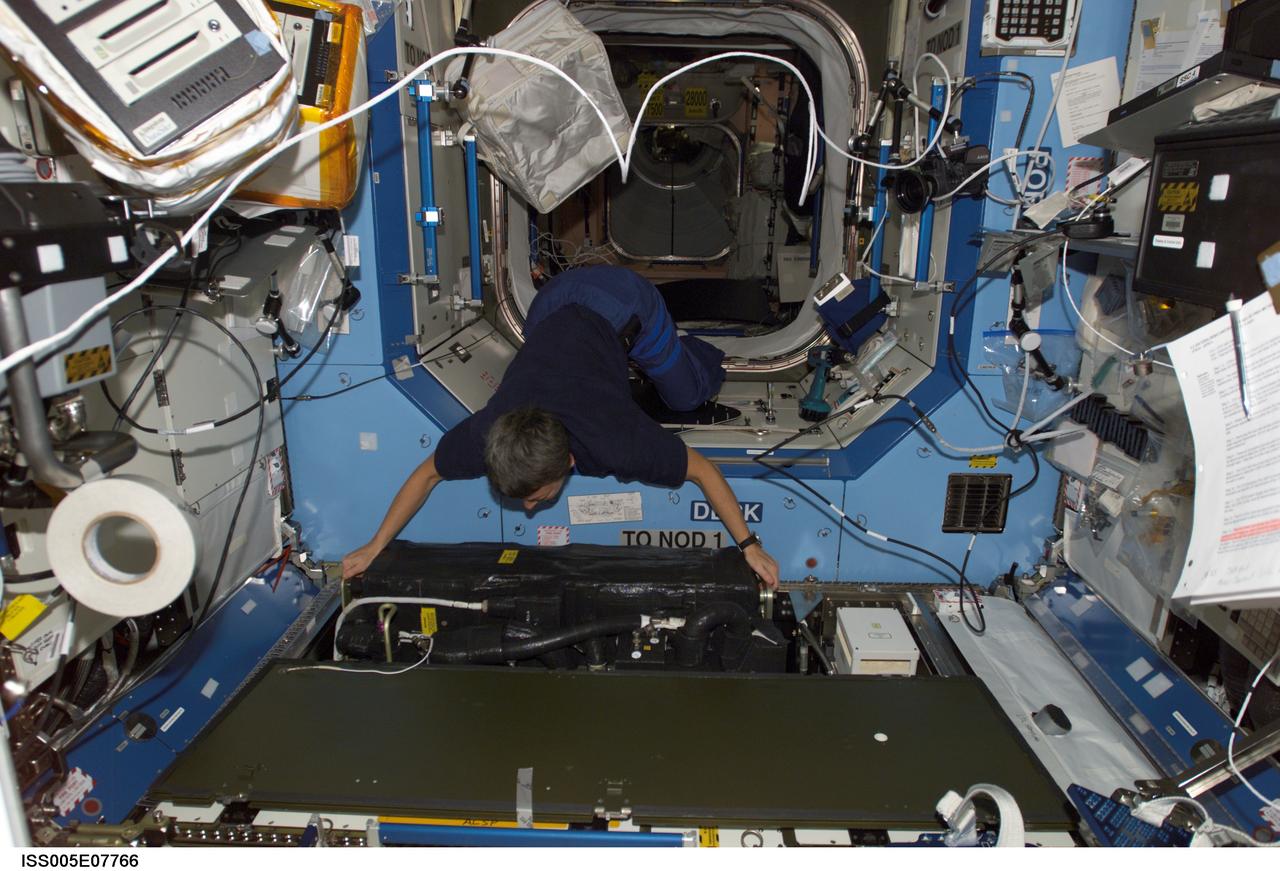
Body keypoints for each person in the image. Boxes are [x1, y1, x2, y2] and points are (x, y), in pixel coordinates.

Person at [341, 266, 780, 587]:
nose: (529, 509)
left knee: (684, 396)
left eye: (534, 497)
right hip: (552, 301)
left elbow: (703, 470)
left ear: (569, 459)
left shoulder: (615, 439)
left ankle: (700, 354)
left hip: (621, 301)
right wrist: (375, 544)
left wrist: (749, 545)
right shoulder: (491, 433)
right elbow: (429, 472)